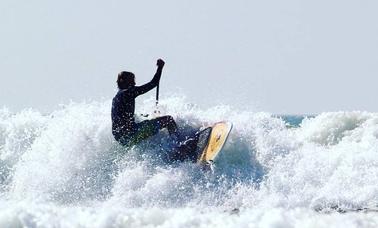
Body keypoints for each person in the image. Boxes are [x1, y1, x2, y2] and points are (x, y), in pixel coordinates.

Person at [111, 59, 179, 146]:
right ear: (123, 81)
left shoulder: (116, 98)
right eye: (132, 81)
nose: (134, 83)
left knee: (149, 124)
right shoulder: (128, 92)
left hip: (121, 138)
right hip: (132, 134)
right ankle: (178, 145)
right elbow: (153, 83)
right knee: (168, 120)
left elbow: (124, 118)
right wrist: (160, 68)